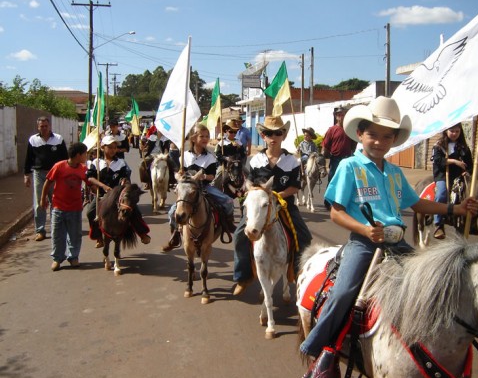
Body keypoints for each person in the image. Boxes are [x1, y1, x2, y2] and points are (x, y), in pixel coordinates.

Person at [299, 96, 478, 359]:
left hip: (398, 244)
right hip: (364, 243)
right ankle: (317, 350)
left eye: (387, 137)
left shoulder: (394, 173)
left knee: (432, 284)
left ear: (394, 140)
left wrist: (456, 209)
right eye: (373, 135)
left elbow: (417, 204)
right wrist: (364, 230)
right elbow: (336, 213)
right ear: (360, 134)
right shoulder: (350, 167)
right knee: (343, 292)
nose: (379, 142)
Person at [232, 116, 313, 296]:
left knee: (304, 236)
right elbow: (250, 183)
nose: (273, 137)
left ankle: (298, 274)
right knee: (239, 236)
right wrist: (258, 194)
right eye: (269, 133)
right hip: (259, 206)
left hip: (284, 206)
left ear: (283, 135)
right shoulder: (255, 160)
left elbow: (294, 186)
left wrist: (276, 196)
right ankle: (242, 277)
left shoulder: (292, 161)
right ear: (263, 135)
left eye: (277, 133)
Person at [161, 124, 236, 252]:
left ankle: (227, 225)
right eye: (202, 136)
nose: (205, 138)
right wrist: (178, 175)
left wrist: (204, 176)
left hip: (204, 187)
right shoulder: (184, 156)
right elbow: (177, 172)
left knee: (228, 202)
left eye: (207, 136)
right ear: (194, 138)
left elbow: (212, 176)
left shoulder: (210, 157)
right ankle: (175, 236)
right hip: (187, 188)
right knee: (172, 212)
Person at [40, 142, 108, 271]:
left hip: (75, 207)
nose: (86, 157)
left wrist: (99, 191)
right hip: (58, 207)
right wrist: (42, 199)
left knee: (74, 234)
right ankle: (57, 258)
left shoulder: (83, 169)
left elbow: (90, 183)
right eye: (84, 154)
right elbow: (47, 182)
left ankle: (73, 257)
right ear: (78, 155)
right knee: (57, 235)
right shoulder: (59, 166)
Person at [86, 135, 151, 248]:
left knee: (134, 211)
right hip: (102, 195)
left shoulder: (121, 162)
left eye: (115, 147)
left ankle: (142, 234)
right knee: (90, 212)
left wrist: (125, 182)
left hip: (118, 197)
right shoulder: (96, 162)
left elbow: (125, 177)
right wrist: (103, 186)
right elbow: (90, 178)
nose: (113, 150)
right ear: (102, 147)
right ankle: (98, 237)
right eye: (110, 147)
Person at [24, 116, 69, 241]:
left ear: (49, 126)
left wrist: (66, 175)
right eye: (41, 126)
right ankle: (40, 230)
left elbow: (65, 159)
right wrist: (26, 175)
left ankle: (57, 228)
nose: (44, 128)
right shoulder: (33, 140)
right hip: (39, 174)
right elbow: (28, 158)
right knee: (39, 202)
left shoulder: (58, 139)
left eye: (46, 126)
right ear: (38, 127)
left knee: (56, 202)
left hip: (55, 175)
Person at [431, 123, 473, 239]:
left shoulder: (464, 147)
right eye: (452, 131)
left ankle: (471, 222)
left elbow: (470, 164)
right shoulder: (438, 146)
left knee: (471, 195)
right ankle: (438, 224)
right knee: (441, 194)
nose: (454, 134)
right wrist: (454, 161)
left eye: (457, 131)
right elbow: (438, 161)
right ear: (446, 131)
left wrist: (467, 171)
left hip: (459, 176)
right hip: (443, 176)